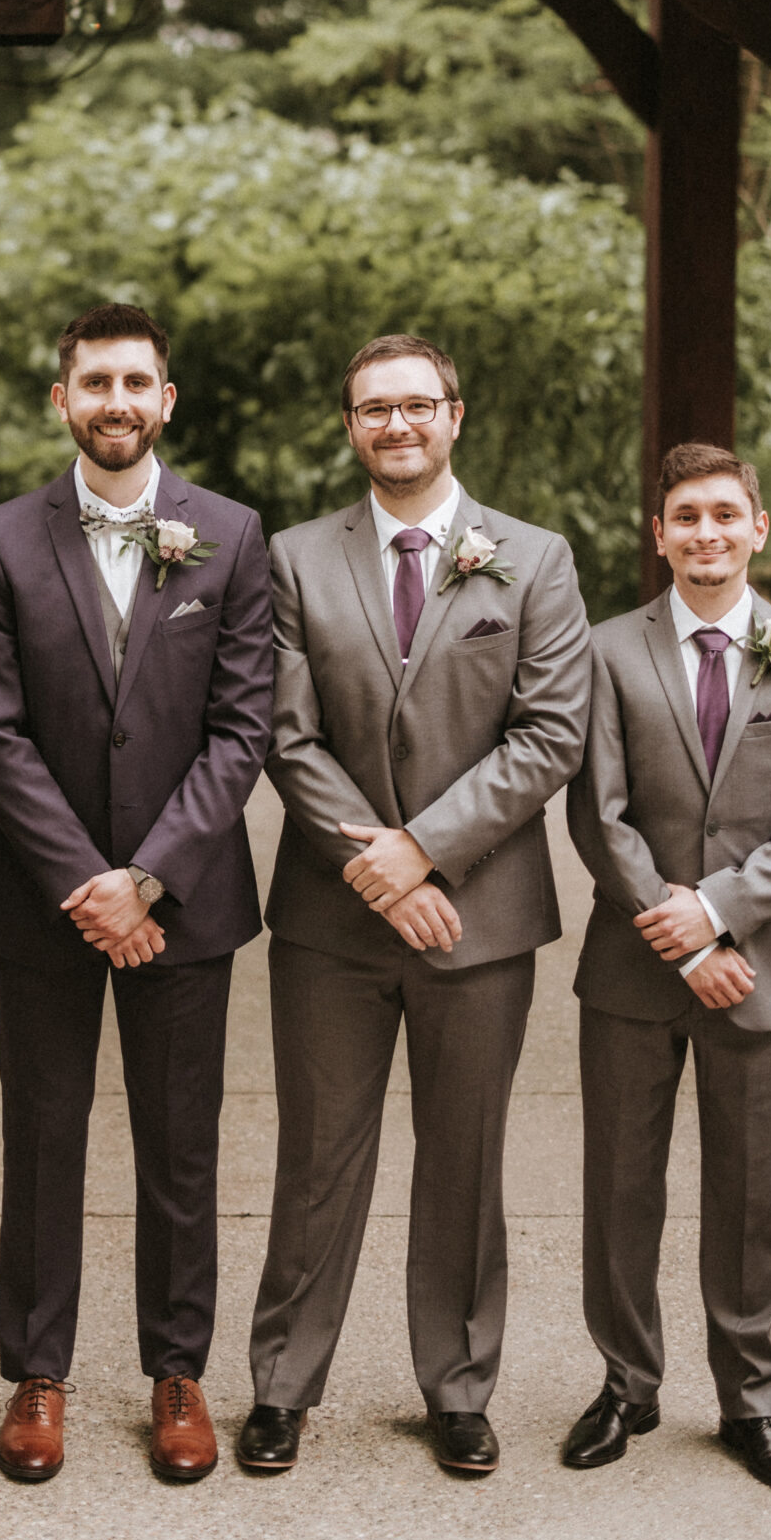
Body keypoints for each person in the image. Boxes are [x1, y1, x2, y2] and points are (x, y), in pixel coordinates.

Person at [242, 331, 591, 1479]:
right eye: (371, 409)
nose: (395, 425)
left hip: (479, 917)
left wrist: (426, 853)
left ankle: (456, 1383)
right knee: (318, 1156)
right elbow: (285, 737)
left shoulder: (533, 561)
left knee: (464, 1155)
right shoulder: (293, 558)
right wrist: (374, 866)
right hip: (330, 924)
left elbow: (549, 733)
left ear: (454, 412)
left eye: (414, 405)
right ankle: (283, 1386)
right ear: (349, 426)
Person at [0, 303, 272, 1485]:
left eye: (136, 381)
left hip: (184, 898)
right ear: (62, 399)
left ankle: (176, 1372)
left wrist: (146, 877)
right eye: (94, 382)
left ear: (166, 399)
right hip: (43, 900)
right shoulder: (1, 539)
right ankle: (37, 1373)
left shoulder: (232, 537)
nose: (116, 401)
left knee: (179, 1144)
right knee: (42, 1137)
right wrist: (85, 882)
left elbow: (241, 728)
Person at [563, 442, 771, 1495]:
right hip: (631, 972)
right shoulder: (604, 651)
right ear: (658, 532)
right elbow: (594, 815)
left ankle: (751, 1402)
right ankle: (626, 1384)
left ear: (756, 526)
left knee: (750, 1200)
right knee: (620, 1188)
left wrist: (721, 915)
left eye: (723, 515)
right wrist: (675, 927)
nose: (705, 533)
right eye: (684, 516)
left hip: (756, 975)